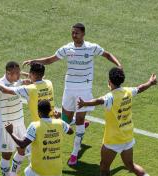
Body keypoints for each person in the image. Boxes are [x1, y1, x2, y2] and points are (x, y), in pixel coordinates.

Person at [23, 23, 122, 166]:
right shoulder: (67, 48)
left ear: (83, 34)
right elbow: (51, 59)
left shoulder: (91, 47)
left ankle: (74, 153)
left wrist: (118, 65)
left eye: (76, 33)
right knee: (65, 120)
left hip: (84, 89)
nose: (74, 35)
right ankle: (75, 121)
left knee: (80, 120)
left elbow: (107, 54)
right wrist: (34, 60)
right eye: (72, 33)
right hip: (69, 89)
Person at [78, 67, 158, 176]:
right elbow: (139, 88)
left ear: (109, 81)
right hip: (127, 137)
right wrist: (150, 82)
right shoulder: (127, 91)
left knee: (104, 167)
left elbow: (99, 101)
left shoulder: (110, 97)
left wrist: (85, 103)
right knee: (130, 165)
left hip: (112, 140)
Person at [0, 63, 56, 176]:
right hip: (5, 125)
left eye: (19, 72)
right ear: (9, 73)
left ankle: (14, 175)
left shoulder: (20, 83)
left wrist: (23, 77)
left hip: (19, 123)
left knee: (23, 151)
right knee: (7, 155)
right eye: (16, 72)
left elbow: (21, 82)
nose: (19, 75)